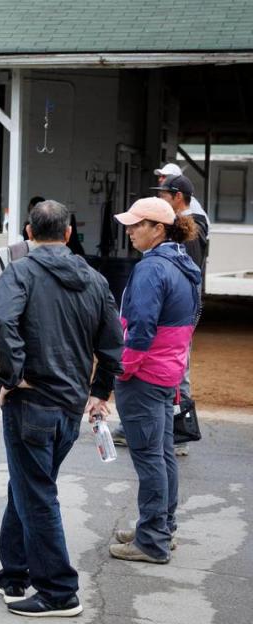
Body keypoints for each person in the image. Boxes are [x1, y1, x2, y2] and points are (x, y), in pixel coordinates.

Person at [0, 200, 123, 617]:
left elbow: (1, 318)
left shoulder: (21, 271)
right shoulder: (94, 279)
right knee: (28, 485)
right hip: (68, 405)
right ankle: (14, 574)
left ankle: (59, 591)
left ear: (28, 233)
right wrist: (99, 391)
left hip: (33, 402)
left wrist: (13, 376)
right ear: (67, 234)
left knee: (36, 492)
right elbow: (114, 340)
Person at [110, 198, 200, 564]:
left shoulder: (152, 270)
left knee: (149, 458)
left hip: (145, 375)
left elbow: (141, 329)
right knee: (162, 456)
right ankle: (161, 527)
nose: (129, 231)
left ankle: (152, 541)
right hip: (168, 372)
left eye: (137, 225)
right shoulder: (184, 264)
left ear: (158, 229)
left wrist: (124, 368)